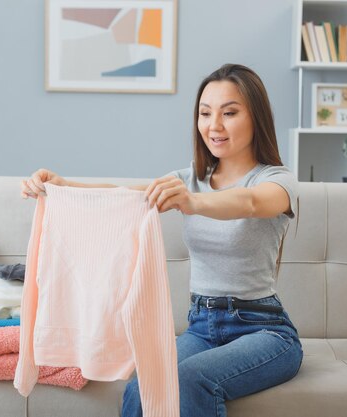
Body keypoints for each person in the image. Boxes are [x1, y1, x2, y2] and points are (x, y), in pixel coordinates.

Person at [21, 63, 303, 417]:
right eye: (205, 113)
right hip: (201, 325)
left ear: (256, 117)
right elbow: (126, 194)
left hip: (264, 330)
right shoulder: (191, 178)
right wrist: (63, 186)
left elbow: (251, 203)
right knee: (142, 386)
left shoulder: (278, 180)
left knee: (189, 379)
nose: (214, 125)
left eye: (229, 113)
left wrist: (191, 202)